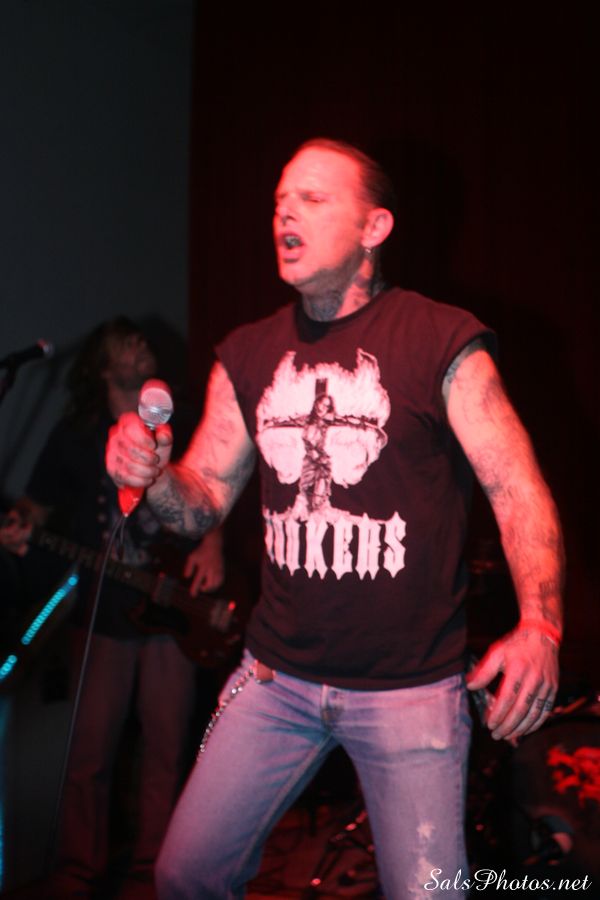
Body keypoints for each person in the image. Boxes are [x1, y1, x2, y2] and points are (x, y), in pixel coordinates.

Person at [106, 139, 564, 899]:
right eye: (280, 201)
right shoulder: (248, 352)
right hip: (275, 680)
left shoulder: (441, 339)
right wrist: (150, 475)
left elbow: (515, 485)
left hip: (410, 690)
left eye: (313, 199)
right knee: (186, 873)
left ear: (373, 227)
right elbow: (202, 498)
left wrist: (540, 625)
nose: (285, 212)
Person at [1, 317, 225, 900]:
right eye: (125, 342)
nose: (139, 346)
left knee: (165, 750)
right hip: (102, 615)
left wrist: (213, 542)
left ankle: (154, 872)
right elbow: (36, 506)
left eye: (142, 340)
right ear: (102, 366)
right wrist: (19, 524)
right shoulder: (76, 433)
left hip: (174, 613)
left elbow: (217, 488)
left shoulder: (182, 422)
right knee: (89, 753)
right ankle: (78, 871)